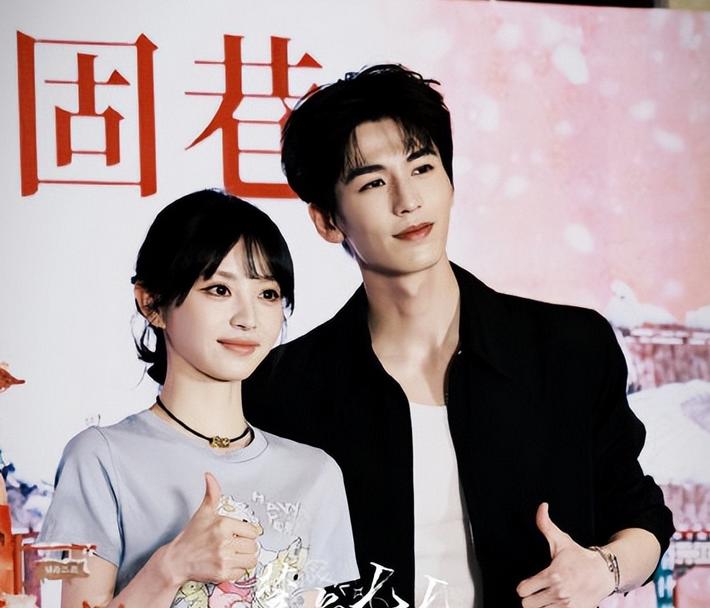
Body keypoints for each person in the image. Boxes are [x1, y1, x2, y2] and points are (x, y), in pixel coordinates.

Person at [243, 65, 675, 608]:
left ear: (449, 181)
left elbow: (642, 517)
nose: (408, 200)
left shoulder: (568, 347)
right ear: (328, 220)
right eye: (373, 182)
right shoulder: (282, 388)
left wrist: (603, 570)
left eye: (422, 167)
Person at [39, 190, 358, 608]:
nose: (248, 318)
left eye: (267, 294)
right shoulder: (99, 458)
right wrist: (171, 566)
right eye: (219, 290)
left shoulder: (315, 474)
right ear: (152, 303)